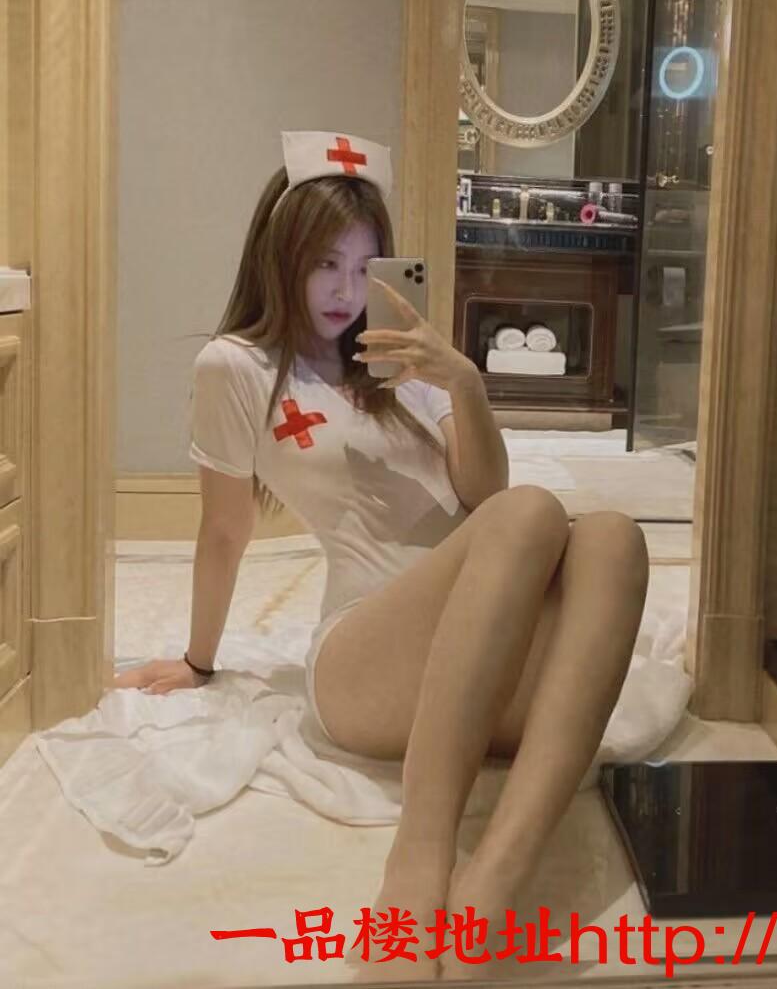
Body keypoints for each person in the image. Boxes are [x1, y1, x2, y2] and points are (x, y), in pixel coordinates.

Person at [111, 131, 650, 964]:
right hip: (365, 658)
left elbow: (484, 493)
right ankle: (419, 858)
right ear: (278, 260)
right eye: (325, 264)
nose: (346, 289)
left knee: (613, 538)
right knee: (532, 514)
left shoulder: (399, 368)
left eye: (366, 268)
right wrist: (198, 659)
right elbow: (225, 529)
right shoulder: (238, 367)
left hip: (485, 643)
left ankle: (498, 873)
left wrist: (462, 382)